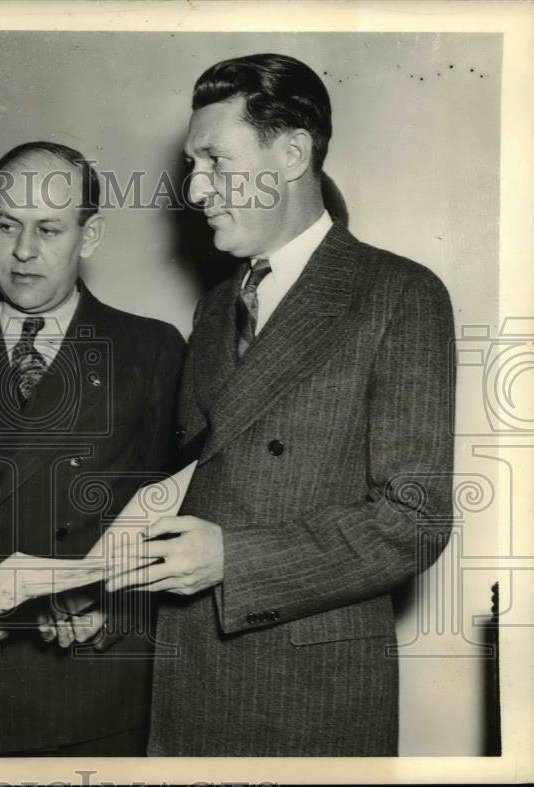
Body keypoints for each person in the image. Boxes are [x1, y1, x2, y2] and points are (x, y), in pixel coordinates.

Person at [106, 53, 455, 756]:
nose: (196, 189)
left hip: (309, 693)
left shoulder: (399, 295)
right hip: (187, 671)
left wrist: (237, 557)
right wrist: (108, 576)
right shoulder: (214, 308)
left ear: (292, 153)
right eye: (190, 164)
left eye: (215, 161)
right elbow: (195, 480)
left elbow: (415, 518)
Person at [0, 142, 185, 756]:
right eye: (6, 226)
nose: (23, 251)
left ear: (89, 234)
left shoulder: (150, 350)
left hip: (95, 681)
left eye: (49, 229)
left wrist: (116, 606)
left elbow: (175, 510)